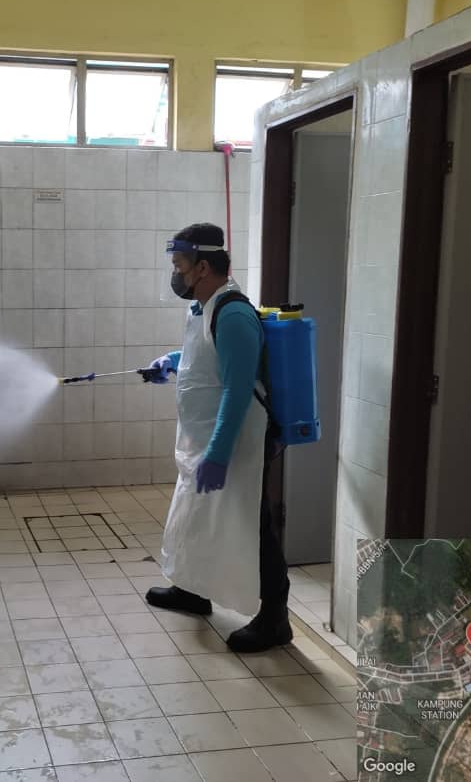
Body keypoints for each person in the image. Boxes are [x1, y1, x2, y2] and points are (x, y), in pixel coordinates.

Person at [143, 222, 292, 652]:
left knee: (251, 524)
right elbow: (208, 357)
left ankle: (275, 619)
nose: (176, 274)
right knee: (195, 514)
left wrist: (219, 453)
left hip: (235, 443)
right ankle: (193, 590)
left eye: (179, 265)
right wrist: (172, 361)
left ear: (203, 267)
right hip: (201, 441)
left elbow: (237, 390)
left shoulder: (234, 314)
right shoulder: (203, 308)